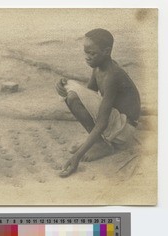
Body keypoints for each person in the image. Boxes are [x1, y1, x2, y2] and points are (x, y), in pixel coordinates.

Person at [55, 28, 140, 177]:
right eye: (85, 52)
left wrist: (77, 157)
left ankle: (102, 145)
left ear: (106, 52)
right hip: (117, 122)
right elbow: (88, 97)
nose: (87, 57)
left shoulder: (112, 75)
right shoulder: (99, 68)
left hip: (125, 128)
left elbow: (101, 122)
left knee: (72, 93)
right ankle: (98, 142)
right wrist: (62, 85)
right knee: (71, 94)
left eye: (92, 53)